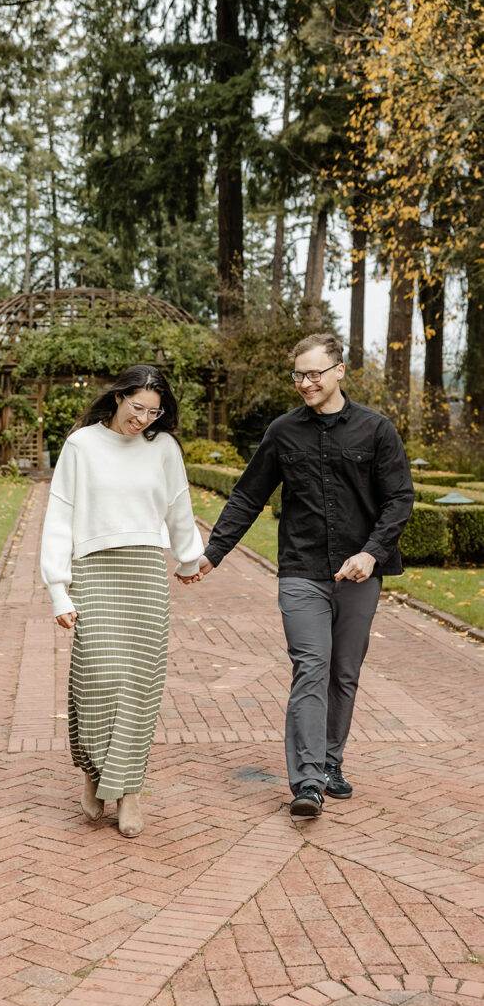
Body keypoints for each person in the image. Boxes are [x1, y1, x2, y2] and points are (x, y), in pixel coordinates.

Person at [198, 334, 414, 817]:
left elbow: (400, 498)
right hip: (301, 570)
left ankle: (332, 762)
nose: (305, 383)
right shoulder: (282, 432)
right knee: (311, 666)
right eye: (299, 374)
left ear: (340, 370)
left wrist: (372, 554)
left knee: (344, 673)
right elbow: (248, 495)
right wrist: (215, 552)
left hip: (358, 573)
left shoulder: (377, 430)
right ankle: (308, 781)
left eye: (315, 373)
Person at [40, 365, 203, 838]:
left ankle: (129, 791)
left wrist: (189, 559)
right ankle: (93, 771)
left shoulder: (164, 448)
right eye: (138, 408)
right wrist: (58, 588)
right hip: (94, 569)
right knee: (98, 679)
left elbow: (178, 505)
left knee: (138, 686)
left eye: (155, 412)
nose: (144, 420)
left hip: (145, 572)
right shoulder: (82, 446)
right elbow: (59, 516)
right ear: (118, 399)